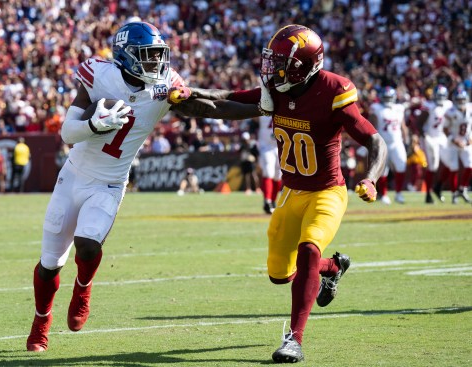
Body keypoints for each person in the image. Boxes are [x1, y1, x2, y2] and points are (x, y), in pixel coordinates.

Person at [26, 21, 252, 352]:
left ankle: (83, 287)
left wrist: (258, 108)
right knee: (49, 263)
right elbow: (67, 132)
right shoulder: (99, 75)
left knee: (88, 243)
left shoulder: (165, 86)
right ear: (126, 56)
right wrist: (93, 124)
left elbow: (213, 105)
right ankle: (40, 322)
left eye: (158, 56)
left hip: (110, 183)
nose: (157, 64)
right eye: (148, 57)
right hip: (73, 176)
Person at [169, 24, 387, 363]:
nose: (272, 70)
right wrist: (186, 97)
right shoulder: (278, 90)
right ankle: (332, 269)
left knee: (310, 248)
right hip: (290, 194)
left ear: (305, 65)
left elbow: (375, 140)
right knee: (279, 274)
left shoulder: (333, 90)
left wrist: (371, 179)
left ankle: (295, 340)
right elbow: (225, 101)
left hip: (327, 192)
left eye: (281, 63)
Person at [369, 86, 409, 204]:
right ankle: (384, 194)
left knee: (401, 166)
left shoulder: (399, 108)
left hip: (397, 142)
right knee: (383, 170)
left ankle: (399, 193)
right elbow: (372, 125)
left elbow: (403, 126)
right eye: (385, 97)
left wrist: (407, 140)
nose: (387, 100)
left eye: (389, 97)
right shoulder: (376, 108)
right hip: (382, 143)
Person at [417, 85, 453, 203]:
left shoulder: (449, 105)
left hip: (441, 136)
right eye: (438, 96)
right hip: (430, 137)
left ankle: (438, 186)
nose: (440, 98)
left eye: (442, 96)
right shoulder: (429, 106)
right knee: (433, 167)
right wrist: (423, 136)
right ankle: (428, 194)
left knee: (451, 164)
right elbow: (419, 123)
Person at [436, 88, 472, 204]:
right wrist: (454, 140)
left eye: (463, 99)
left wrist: (470, 137)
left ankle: (462, 188)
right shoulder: (450, 112)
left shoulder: (470, 108)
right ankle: (454, 194)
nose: (461, 101)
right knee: (454, 168)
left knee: (469, 165)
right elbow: (445, 129)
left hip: (466, 141)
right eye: (459, 99)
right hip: (452, 143)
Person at [257, 115, 282, 214]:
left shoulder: (282, 108)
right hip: (266, 147)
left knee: (278, 176)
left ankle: (273, 201)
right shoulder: (262, 111)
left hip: (280, 146)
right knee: (268, 172)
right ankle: (267, 201)